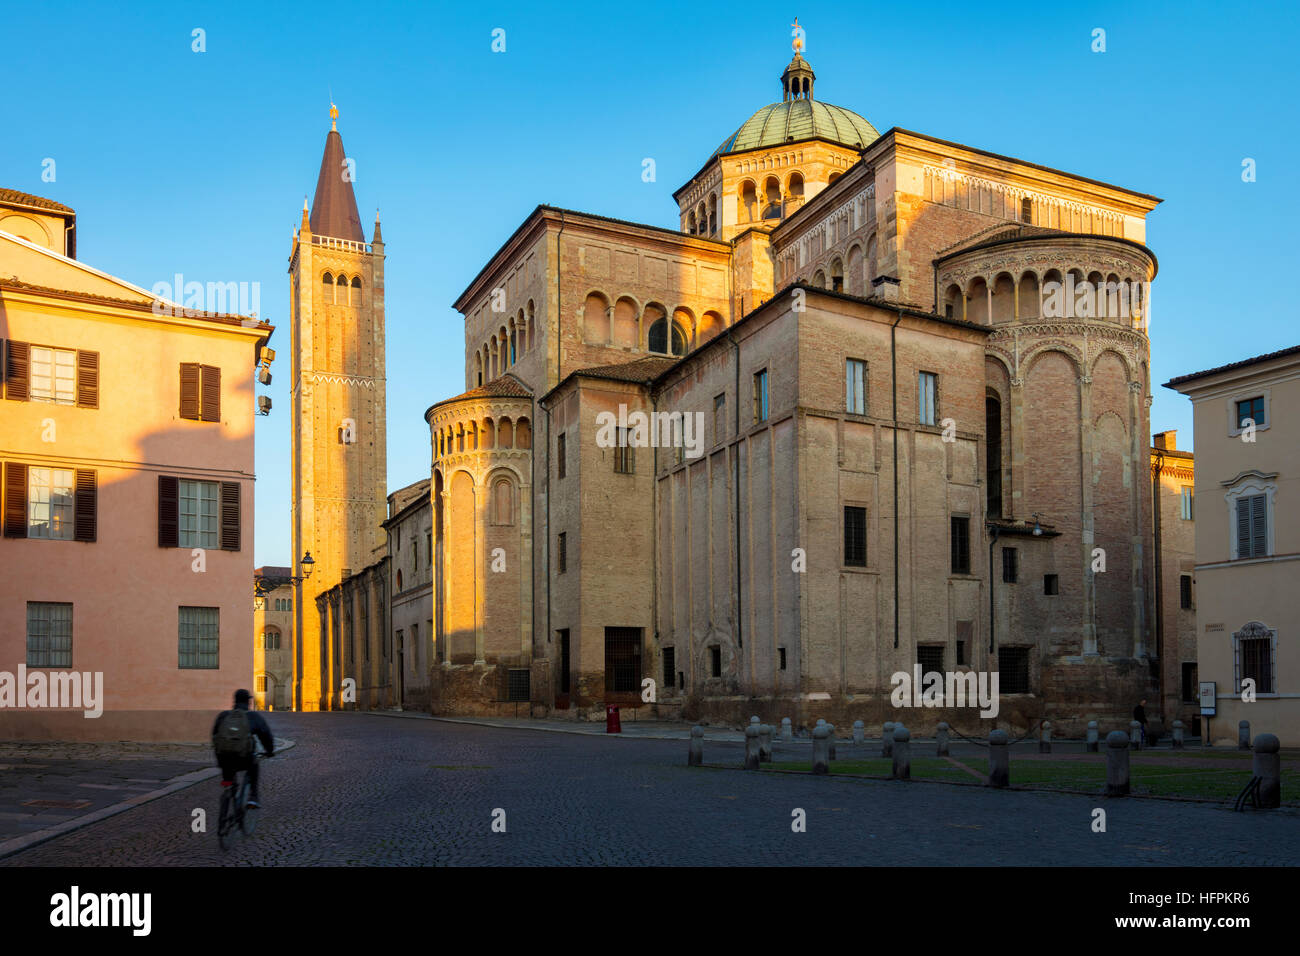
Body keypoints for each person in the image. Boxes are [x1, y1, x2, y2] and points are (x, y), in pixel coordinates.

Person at [212, 689, 275, 808]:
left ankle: (228, 787)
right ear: (248, 702)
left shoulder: (224, 715)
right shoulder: (253, 716)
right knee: (254, 764)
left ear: (234, 701)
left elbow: (215, 736)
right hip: (244, 759)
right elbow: (265, 735)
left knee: (229, 774)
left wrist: (219, 754)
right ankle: (253, 797)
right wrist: (269, 751)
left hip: (224, 760)